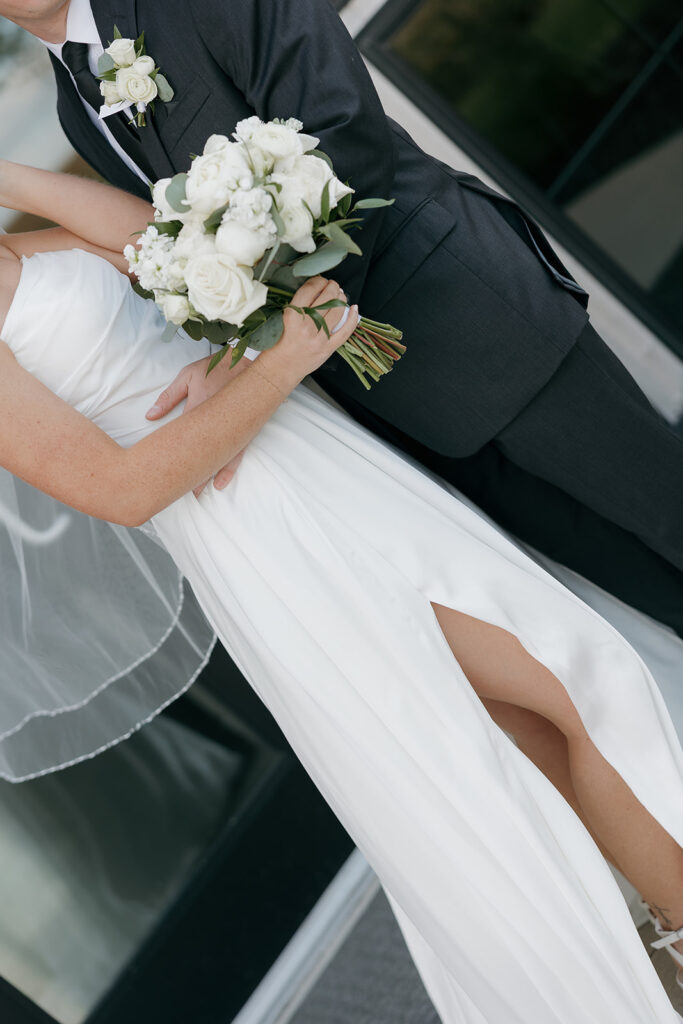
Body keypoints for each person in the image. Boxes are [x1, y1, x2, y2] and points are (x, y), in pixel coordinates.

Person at [0, 159, 681, 1023]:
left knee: (528, 730)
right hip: (265, 526)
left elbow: (151, 241)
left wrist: (8, 174)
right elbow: (121, 492)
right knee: (576, 677)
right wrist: (282, 363)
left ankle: (658, 937)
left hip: (320, 462)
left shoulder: (20, 248)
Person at [4, 0, 682, 643]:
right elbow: (180, 250)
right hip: (386, 402)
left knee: (663, 507)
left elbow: (343, 133)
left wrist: (253, 358)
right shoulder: (74, 107)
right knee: (631, 584)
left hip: (469, 318)